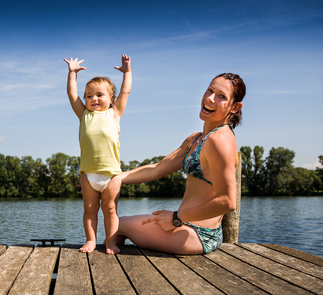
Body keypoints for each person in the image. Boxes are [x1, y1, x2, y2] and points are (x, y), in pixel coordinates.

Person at [115, 73, 245, 255]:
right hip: (185, 225)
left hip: (199, 234)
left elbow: (228, 201)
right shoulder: (196, 139)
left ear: (234, 107)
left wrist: (177, 217)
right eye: (210, 90)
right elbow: (157, 169)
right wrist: (112, 179)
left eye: (221, 96)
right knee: (116, 225)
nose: (209, 98)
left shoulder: (220, 141)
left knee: (116, 225)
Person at [63, 55, 132, 254]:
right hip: (88, 174)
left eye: (99, 95)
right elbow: (72, 94)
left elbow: (126, 91)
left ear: (111, 100)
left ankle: (111, 242)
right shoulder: (83, 115)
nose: (94, 99)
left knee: (110, 210)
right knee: (90, 209)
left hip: (111, 175)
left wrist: (127, 73)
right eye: (89, 95)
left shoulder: (114, 113)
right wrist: (72, 74)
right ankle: (91, 240)